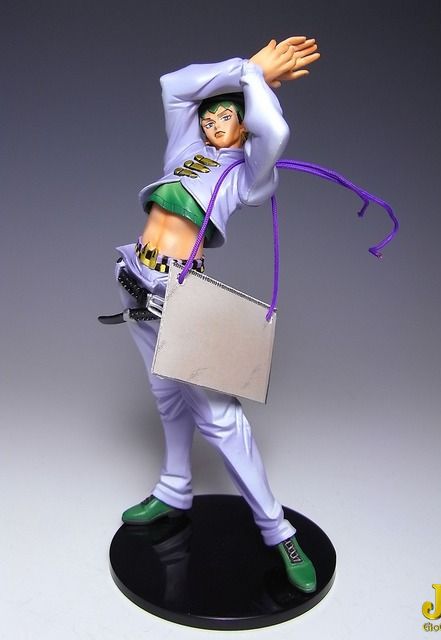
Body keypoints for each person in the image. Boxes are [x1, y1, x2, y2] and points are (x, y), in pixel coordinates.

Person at [114, 37, 320, 593]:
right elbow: (173, 85)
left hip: (181, 294)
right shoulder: (184, 147)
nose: (211, 124)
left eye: (225, 117)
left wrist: (253, 79)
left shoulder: (249, 172)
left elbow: (276, 132)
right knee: (164, 392)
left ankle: (278, 531)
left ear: (243, 124)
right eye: (209, 117)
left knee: (221, 419)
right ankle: (175, 488)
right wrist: (241, 65)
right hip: (136, 277)